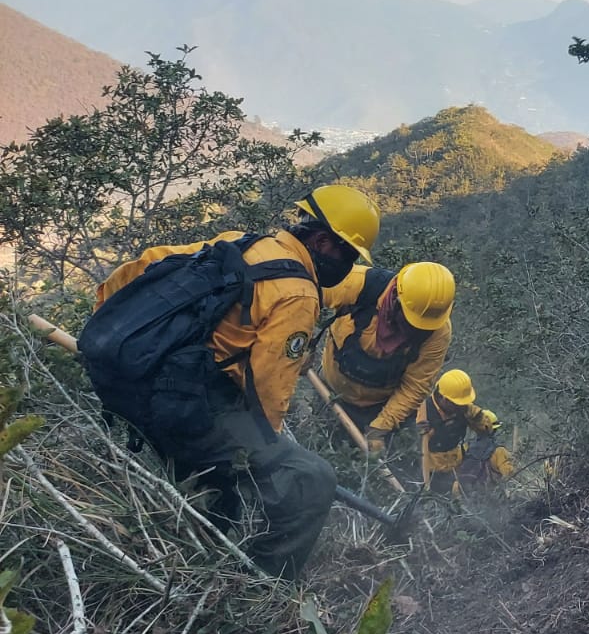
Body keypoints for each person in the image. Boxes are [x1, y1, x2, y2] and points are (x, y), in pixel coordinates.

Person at [83, 184, 381, 577]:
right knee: (313, 478)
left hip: (131, 382)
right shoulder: (299, 294)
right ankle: (266, 585)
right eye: (347, 254)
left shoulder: (244, 244)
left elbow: (148, 263)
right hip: (181, 406)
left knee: (238, 450)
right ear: (324, 241)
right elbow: (268, 392)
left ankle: (213, 524)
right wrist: (268, 457)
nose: (347, 265)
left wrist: (107, 318)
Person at [318, 261, 454, 454]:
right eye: (411, 320)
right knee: (320, 451)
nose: (415, 329)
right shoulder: (358, 284)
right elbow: (305, 295)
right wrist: (299, 343)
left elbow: (415, 386)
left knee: (396, 467)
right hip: (329, 390)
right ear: (397, 298)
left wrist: (380, 428)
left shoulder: (437, 332)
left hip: (381, 408)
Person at [416, 369, 513, 498]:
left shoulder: (463, 409)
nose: (460, 406)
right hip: (429, 472)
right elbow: (404, 445)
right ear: (444, 399)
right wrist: (415, 430)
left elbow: (486, 430)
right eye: (457, 403)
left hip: (457, 468)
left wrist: (477, 416)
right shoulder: (422, 411)